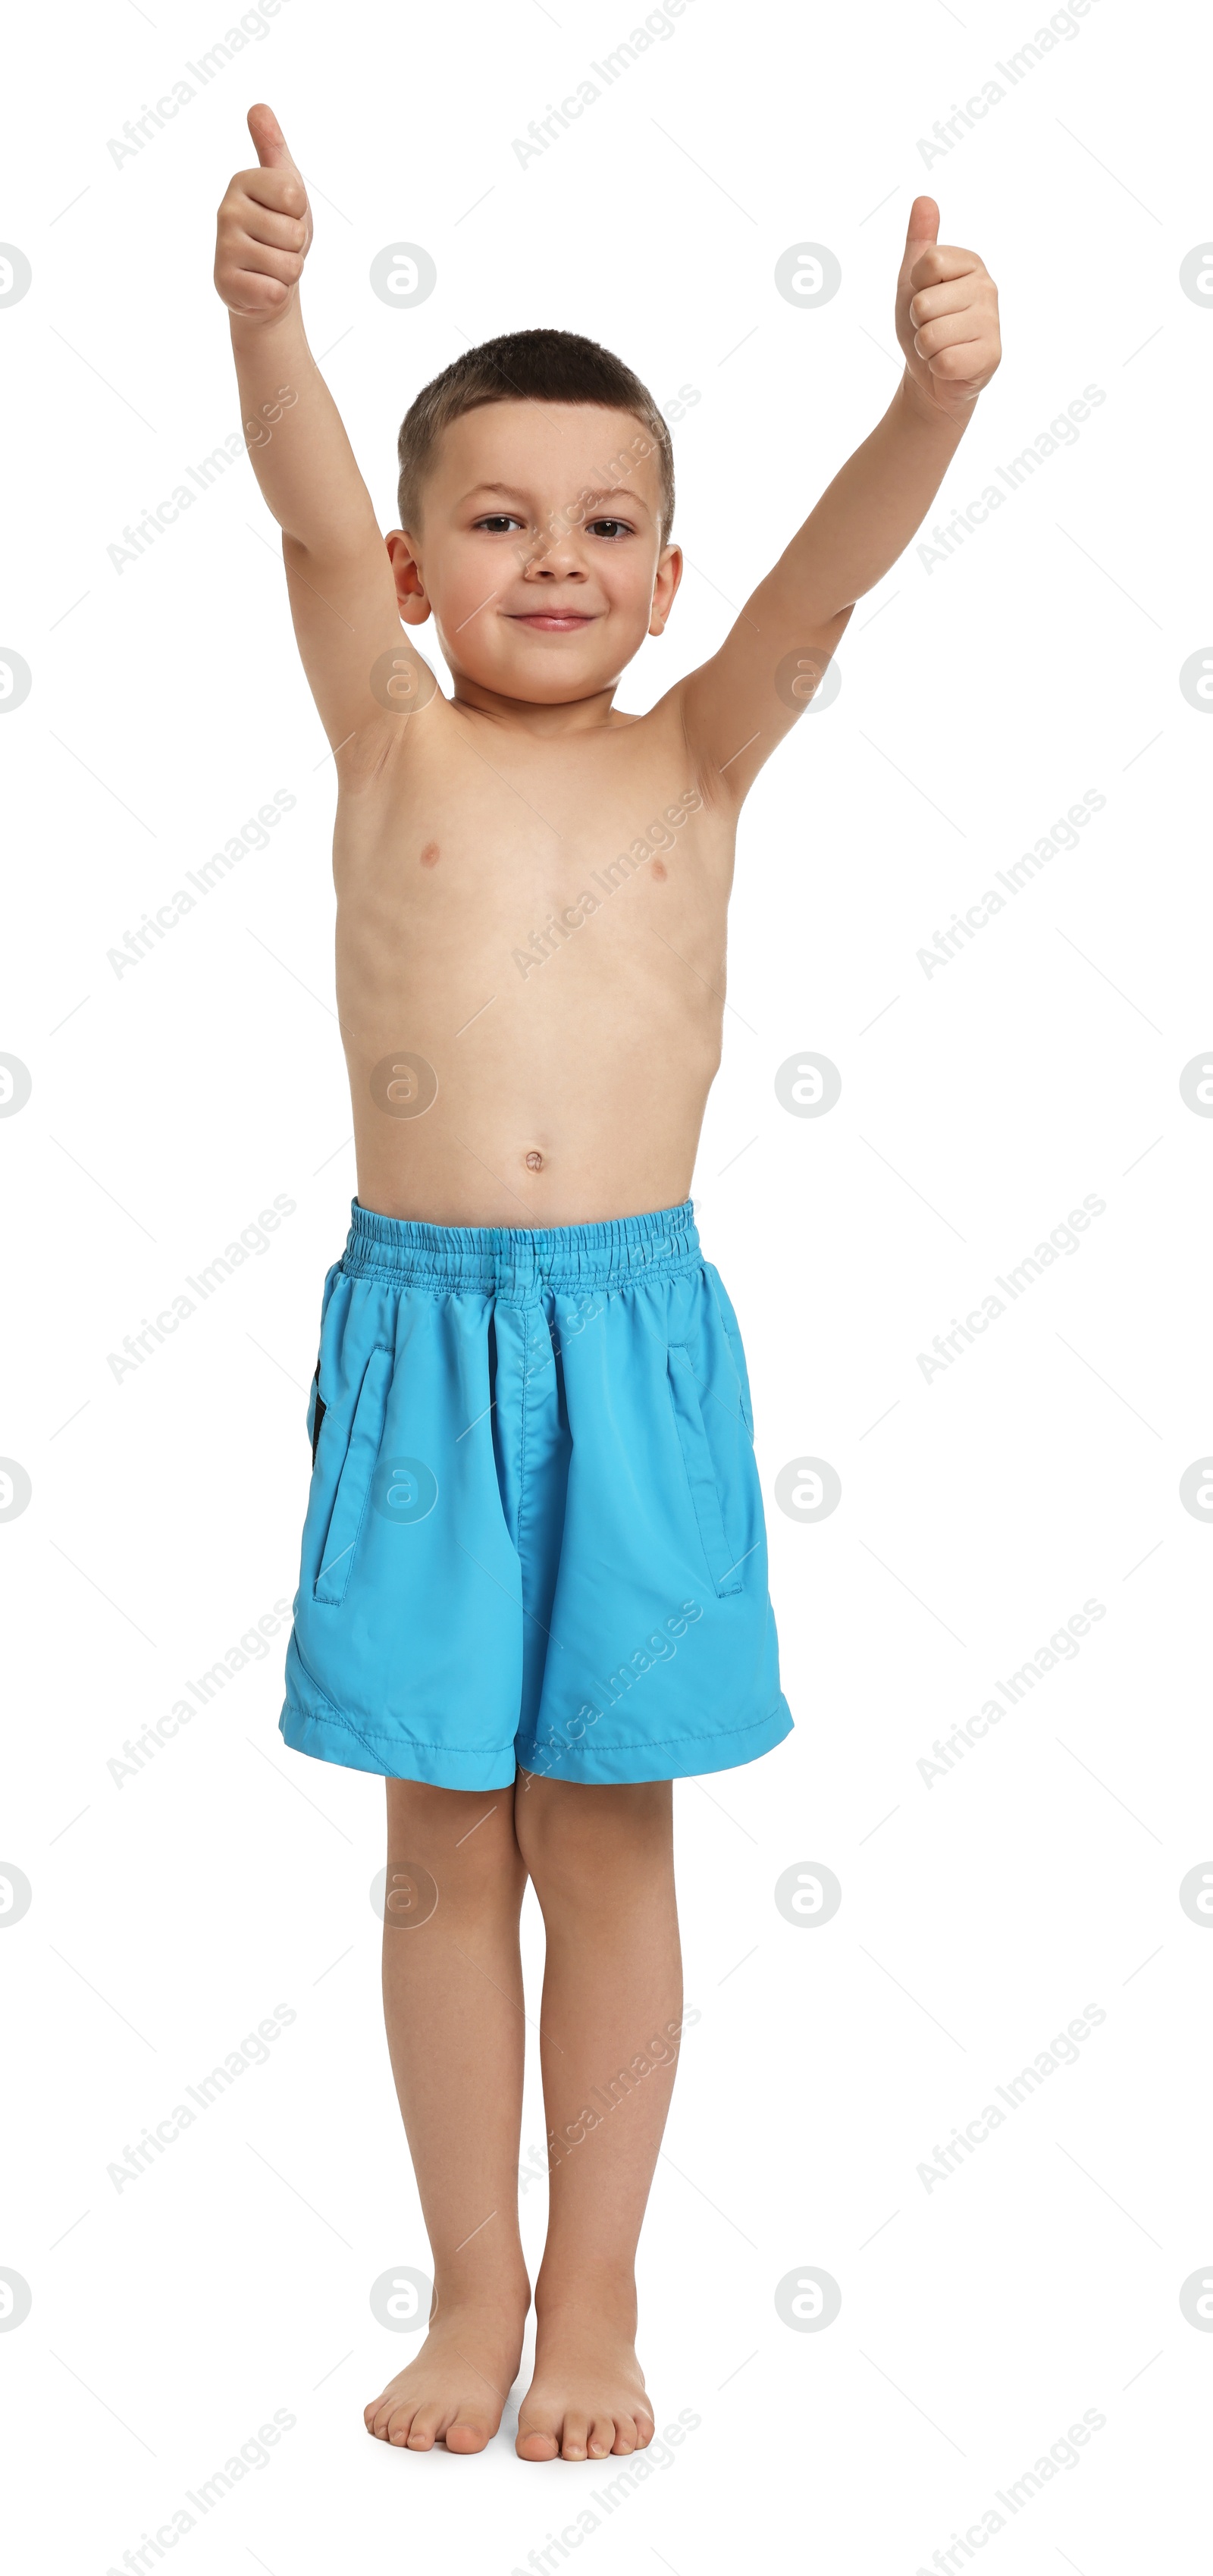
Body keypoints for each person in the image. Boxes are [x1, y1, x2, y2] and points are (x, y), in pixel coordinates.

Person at [213, 102, 1001, 2464]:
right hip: (422, 1337)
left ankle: (602, 2305)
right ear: (416, 557)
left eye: (607, 525)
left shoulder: (697, 755)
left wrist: (934, 401)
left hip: (636, 1344)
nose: (553, 558)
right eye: (496, 517)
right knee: (440, 1839)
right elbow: (287, 500)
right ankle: (470, 2288)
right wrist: (267, 323)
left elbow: (828, 598)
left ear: (668, 579)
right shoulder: (388, 736)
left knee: (610, 1828)